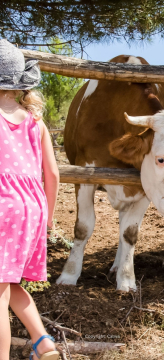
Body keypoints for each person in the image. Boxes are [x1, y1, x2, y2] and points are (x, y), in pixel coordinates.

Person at [0, 39, 59, 360]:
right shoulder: (36, 123)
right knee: (6, 282)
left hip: (2, 207)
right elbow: (53, 175)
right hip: (32, 209)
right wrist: (48, 218)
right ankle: (42, 342)